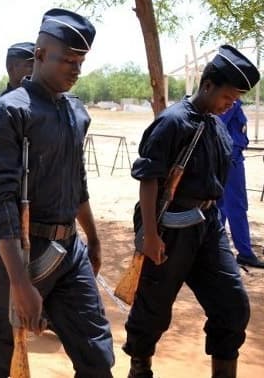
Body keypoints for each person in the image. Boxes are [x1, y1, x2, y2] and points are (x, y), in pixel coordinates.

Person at [0, 9, 115, 377]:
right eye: (67, 60)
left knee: (97, 355)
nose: (75, 70)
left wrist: (93, 238)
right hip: (22, 250)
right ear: (38, 55)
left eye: (80, 62)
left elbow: (76, 180)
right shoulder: (6, 114)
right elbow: (0, 203)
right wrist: (20, 283)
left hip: (70, 251)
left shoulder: (76, 112)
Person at [124, 45, 259, 378]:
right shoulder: (172, 121)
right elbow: (150, 179)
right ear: (208, 84)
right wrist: (151, 236)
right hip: (170, 228)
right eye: (230, 95)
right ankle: (140, 368)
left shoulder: (217, 127)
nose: (233, 102)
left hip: (208, 227)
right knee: (153, 310)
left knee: (233, 305)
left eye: (238, 97)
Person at [216, 99, 264, 268]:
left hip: (227, 160)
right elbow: (217, 125)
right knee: (237, 207)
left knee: (220, 208)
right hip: (231, 161)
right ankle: (244, 253)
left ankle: (214, 250)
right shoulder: (231, 102)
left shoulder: (231, 100)